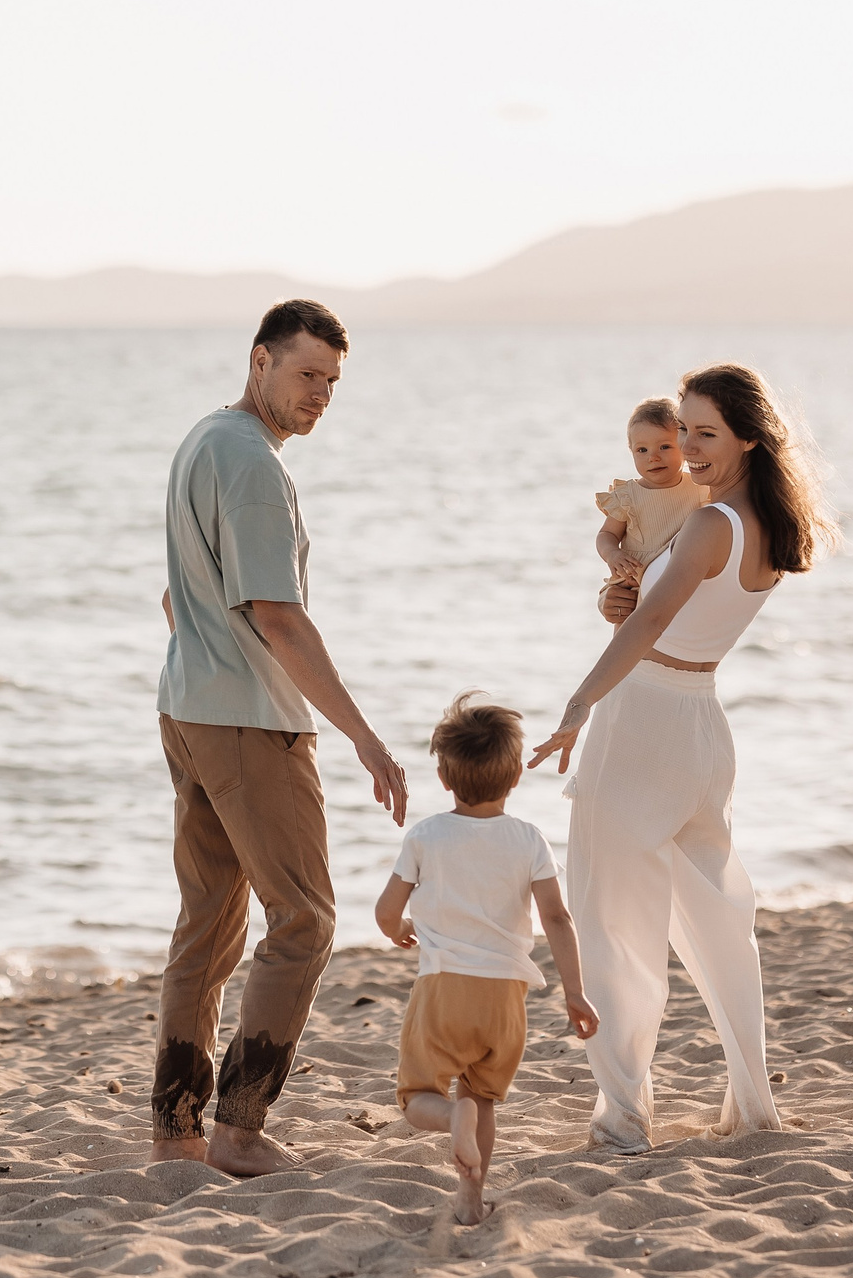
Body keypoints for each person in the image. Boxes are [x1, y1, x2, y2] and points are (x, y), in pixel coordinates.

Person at [529, 362, 837, 1153]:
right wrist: (620, 590)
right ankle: (751, 1098)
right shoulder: (760, 522)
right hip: (701, 722)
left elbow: (647, 627)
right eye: (683, 431)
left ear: (746, 435)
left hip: (642, 719)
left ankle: (625, 1117)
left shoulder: (711, 525)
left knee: (611, 921)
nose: (690, 448)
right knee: (718, 915)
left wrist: (578, 703)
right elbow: (661, 610)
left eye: (706, 432)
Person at [153, 298, 408, 1178]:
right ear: (259, 360)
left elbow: (175, 595)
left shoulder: (202, 439)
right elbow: (277, 617)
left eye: (333, 381)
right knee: (303, 921)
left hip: (188, 707)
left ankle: (178, 1132)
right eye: (307, 374)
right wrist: (366, 737)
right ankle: (240, 1131)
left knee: (209, 926)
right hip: (248, 721)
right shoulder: (253, 463)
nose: (320, 394)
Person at [374, 696, 598, 1223]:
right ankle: (471, 1199)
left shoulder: (426, 836)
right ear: (516, 775)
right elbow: (558, 920)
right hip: (506, 997)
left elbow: (386, 912)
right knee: (485, 1099)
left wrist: (403, 930)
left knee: (417, 1098)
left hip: (444, 989)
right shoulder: (529, 840)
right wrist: (575, 992)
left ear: (443, 776)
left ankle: (452, 1117)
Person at [593, 397, 706, 607]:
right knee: (625, 621)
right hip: (633, 581)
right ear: (631, 451)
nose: (653, 457)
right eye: (642, 450)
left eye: (664, 447)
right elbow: (606, 534)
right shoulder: (628, 496)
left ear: (682, 444)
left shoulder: (699, 488)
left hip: (679, 581)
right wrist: (612, 554)